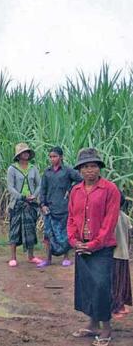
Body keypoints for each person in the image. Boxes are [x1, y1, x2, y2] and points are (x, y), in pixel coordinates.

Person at [68, 148, 120, 346]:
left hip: (102, 248)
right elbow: (71, 218)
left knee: (101, 286)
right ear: (80, 170)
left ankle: (106, 327)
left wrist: (94, 244)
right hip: (82, 246)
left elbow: (110, 221)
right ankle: (92, 324)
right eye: (85, 167)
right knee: (87, 286)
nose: (90, 170)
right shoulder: (76, 190)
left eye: (93, 166)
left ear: (99, 168)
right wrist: (74, 241)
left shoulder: (110, 190)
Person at [37, 146, 82, 268]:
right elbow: (43, 190)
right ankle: (48, 259)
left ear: (61, 157)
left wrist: (71, 189)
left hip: (64, 208)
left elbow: (81, 180)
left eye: (55, 156)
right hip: (50, 208)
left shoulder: (67, 171)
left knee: (64, 233)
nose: (52, 159)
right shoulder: (47, 172)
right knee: (48, 234)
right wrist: (42, 204)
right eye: (50, 157)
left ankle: (66, 257)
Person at [6, 143, 42, 267]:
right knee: (14, 229)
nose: (25, 154)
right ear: (18, 155)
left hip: (31, 203)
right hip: (17, 203)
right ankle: (13, 257)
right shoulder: (12, 169)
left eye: (27, 152)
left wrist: (34, 195)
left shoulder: (33, 168)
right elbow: (10, 187)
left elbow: (39, 184)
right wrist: (21, 196)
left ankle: (31, 256)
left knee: (31, 229)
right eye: (23, 152)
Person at [111, 192, 132, 319]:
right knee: (122, 282)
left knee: (115, 282)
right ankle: (121, 306)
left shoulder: (110, 216)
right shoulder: (125, 216)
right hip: (123, 253)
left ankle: (116, 307)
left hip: (115, 253)